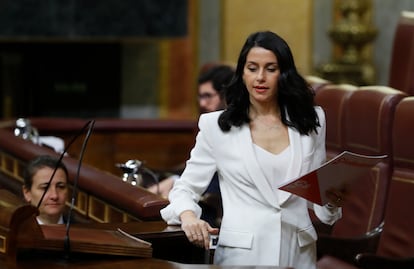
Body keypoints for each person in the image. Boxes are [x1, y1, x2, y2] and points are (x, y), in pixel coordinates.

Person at [160, 31, 343, 268]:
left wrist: (331, 201)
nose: (260, 77)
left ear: (284, 73)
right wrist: (188, 217)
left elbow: (316, 196)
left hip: (298, 254)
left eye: (271, 68)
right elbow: (185, 188)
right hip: (242, 257)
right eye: (252, 68)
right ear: (242, 73)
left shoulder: (311, 120)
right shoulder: (216, 126)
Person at [22, 155, 69, 225]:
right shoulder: (14, 231)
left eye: (60, 187)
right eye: (45, 188)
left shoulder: (82, 230)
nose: (55, 196)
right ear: (27, 193)